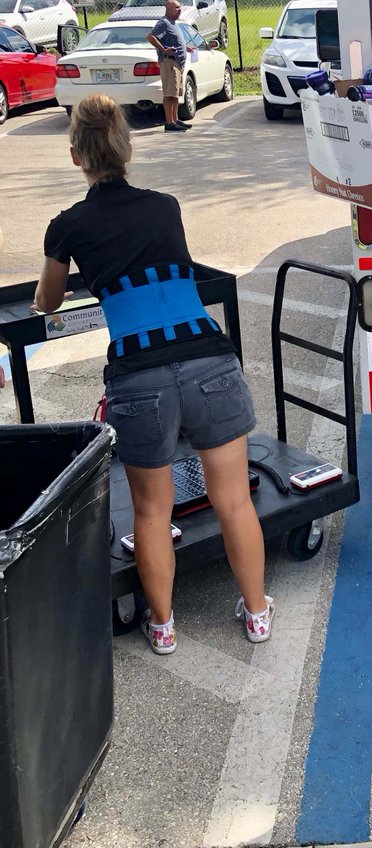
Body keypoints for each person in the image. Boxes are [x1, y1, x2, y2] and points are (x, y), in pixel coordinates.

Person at [33, 95, 272, 654]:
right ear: (126, 146)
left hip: (139, 376)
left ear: (76, 157)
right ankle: (257, 613)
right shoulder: (165, 206)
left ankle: (162, 626)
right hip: (209, 357)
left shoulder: (66, 227)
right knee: (233, 498)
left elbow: (45, 302)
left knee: (150, 510)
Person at [147, 0, 191, 133]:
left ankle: (175, 120)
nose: (179, 10)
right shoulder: (164, 23)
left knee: (175, 94)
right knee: (169, 94)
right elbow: (151, 37)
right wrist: (164, 50)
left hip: (177, 63)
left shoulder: (173, 23)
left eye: (179, 7)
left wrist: (185, 47)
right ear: (168, 9)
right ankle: (169, 122)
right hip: (169, 62)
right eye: (176, 8)